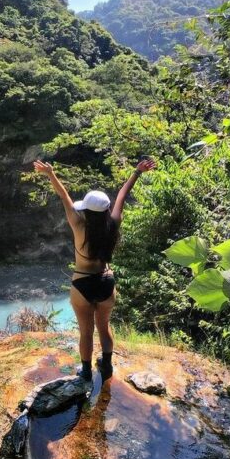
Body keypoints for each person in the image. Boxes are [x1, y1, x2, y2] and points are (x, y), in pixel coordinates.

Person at [33, 158, 156, 382]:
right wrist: (137, 172)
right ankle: (107, 365)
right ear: (107, 210)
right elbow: (122, 195)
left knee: (86, 332)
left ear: (87, 212)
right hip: (106, 281)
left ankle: (86, 371)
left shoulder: (78, 225)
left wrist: (50, 173)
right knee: (104, 326)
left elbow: (64, 197)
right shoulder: (113, 224)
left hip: (82, 283)